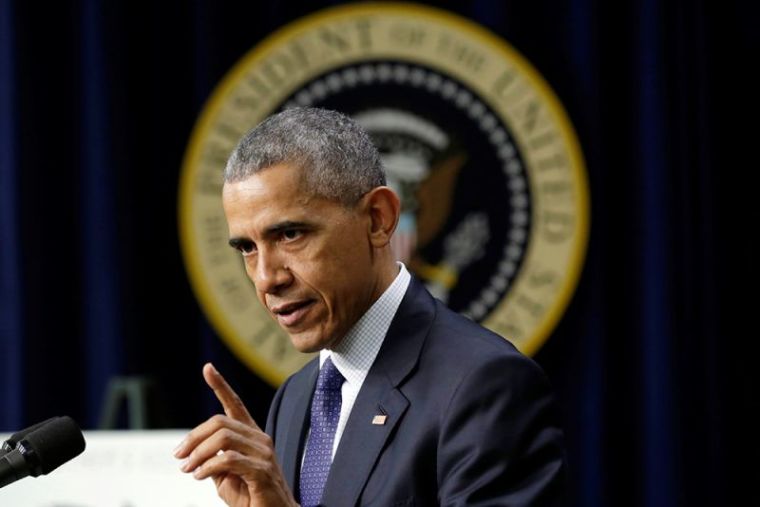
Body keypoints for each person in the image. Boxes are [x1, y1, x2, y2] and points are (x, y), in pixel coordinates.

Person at [174, 107, 567, 506]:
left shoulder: (486, 385)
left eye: (290, 234)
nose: (266, 277)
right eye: (247, 248)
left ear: (379, 219)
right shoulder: (295, 398)